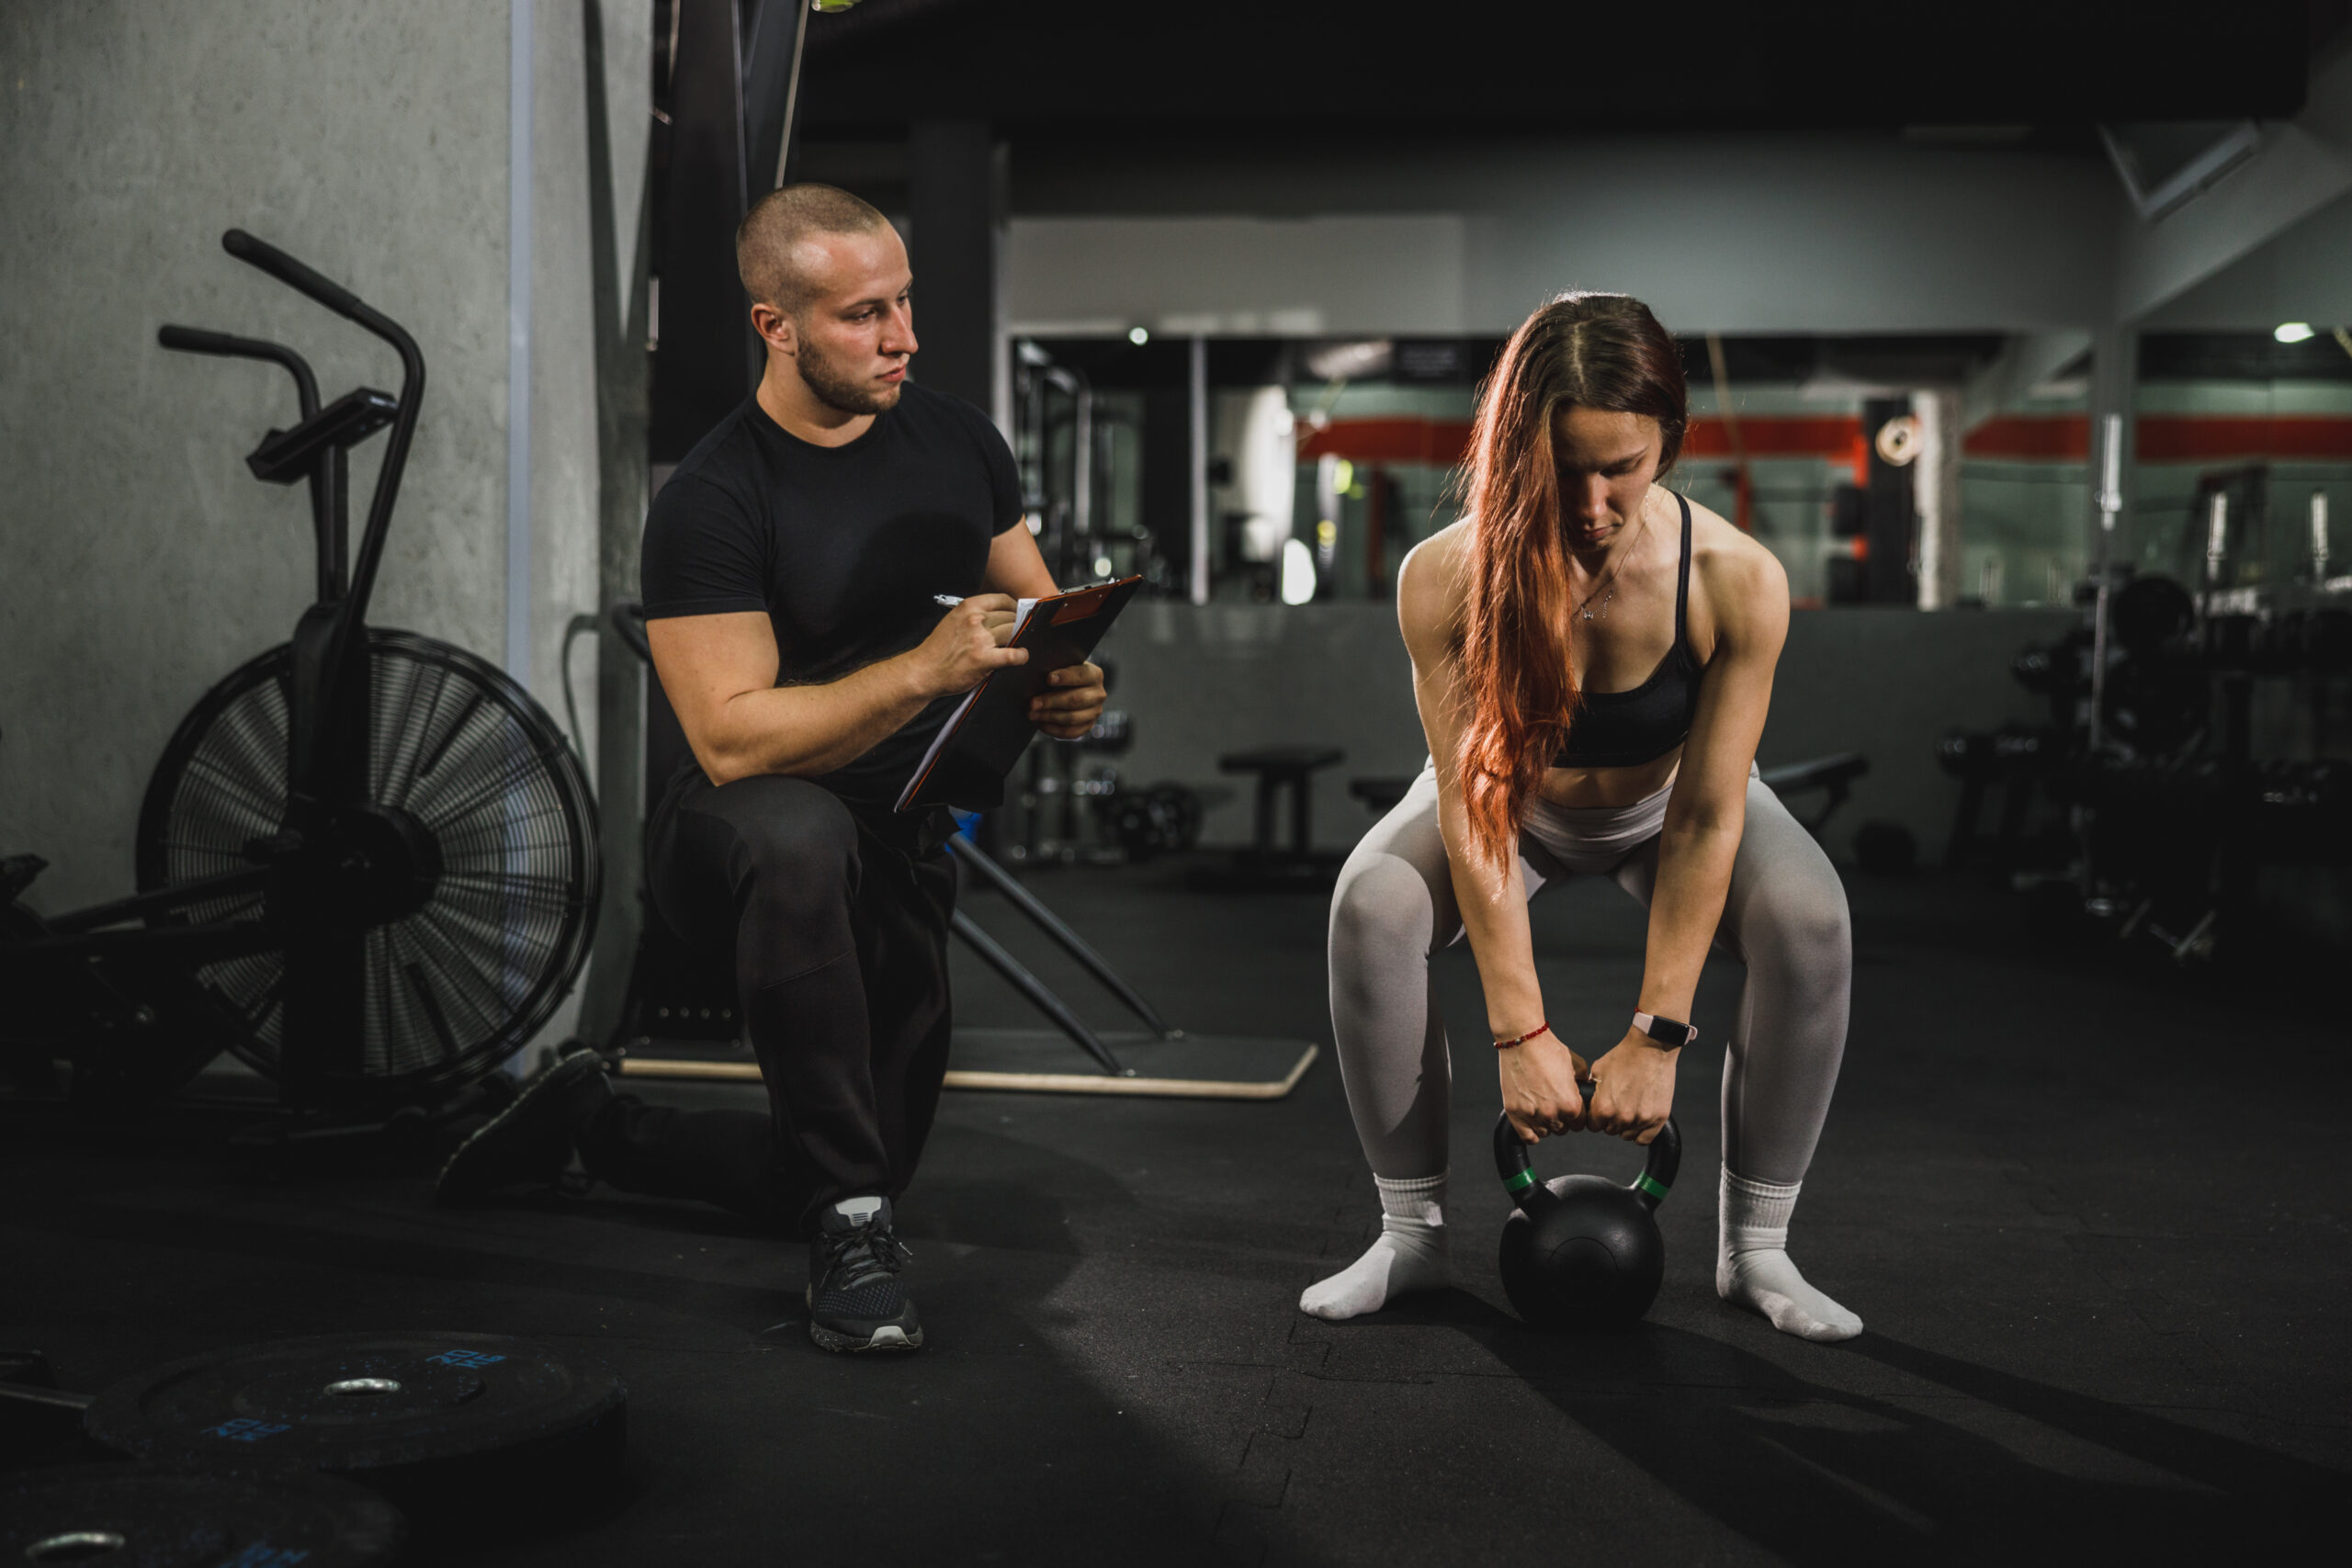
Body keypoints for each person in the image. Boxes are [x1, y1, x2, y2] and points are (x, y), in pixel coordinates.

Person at [436, 184, 1106, 1355]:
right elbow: (731, 741)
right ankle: (848, 1238)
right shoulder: (714, 498)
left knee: (862, 1154)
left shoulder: (961, 443)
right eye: (863, 315)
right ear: (776, 327)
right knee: (801, 839)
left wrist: (1067, 684)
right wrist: (921, 670)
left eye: (904, 303)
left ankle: (598, 1128)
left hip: (897, 830)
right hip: (737, 835)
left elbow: (1041, 612)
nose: (903, 338)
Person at [1300, 292, 1861, 1343]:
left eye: (1622, 468)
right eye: (1561, 470)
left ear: (1670, 445)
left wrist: (1657, 1035)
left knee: (1811, 922)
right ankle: (1410, 1237)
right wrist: (1520, 1032)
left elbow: (1705, 817)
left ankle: (1757, 1249)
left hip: (1669, 803)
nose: (1592, 504)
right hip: (1510, 804)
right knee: (1371, 906)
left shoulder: (1735, 579)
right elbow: (1474, 799)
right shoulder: (1447, 576)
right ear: (1514, 450)